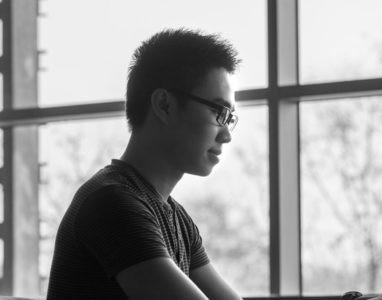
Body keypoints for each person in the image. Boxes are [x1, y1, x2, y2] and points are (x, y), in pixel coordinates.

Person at [46, 28, 242, 300]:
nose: (227, 134)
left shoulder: (176, 218)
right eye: (218, 112)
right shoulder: (112, 204)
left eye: (230, 117)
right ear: (164, 105)